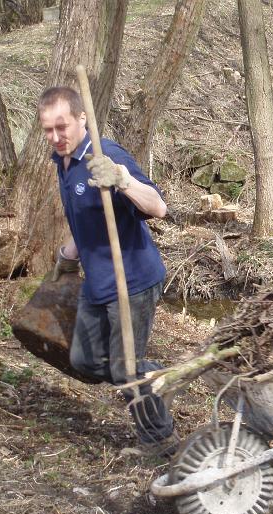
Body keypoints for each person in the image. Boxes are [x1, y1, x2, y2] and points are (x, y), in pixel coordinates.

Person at [38, 86, 178, 457]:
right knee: (83, 360)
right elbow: (87, 219)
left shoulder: (107, 155)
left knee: (125, 369)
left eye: (62, 127)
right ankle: (148, 371)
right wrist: (67, 254)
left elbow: (158, 207)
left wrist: (121, 179)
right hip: (98, 280)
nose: (56, 137)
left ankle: (160, 440)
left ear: (82, 118)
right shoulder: (62, 162)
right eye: (48, 130)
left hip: (132, 280)